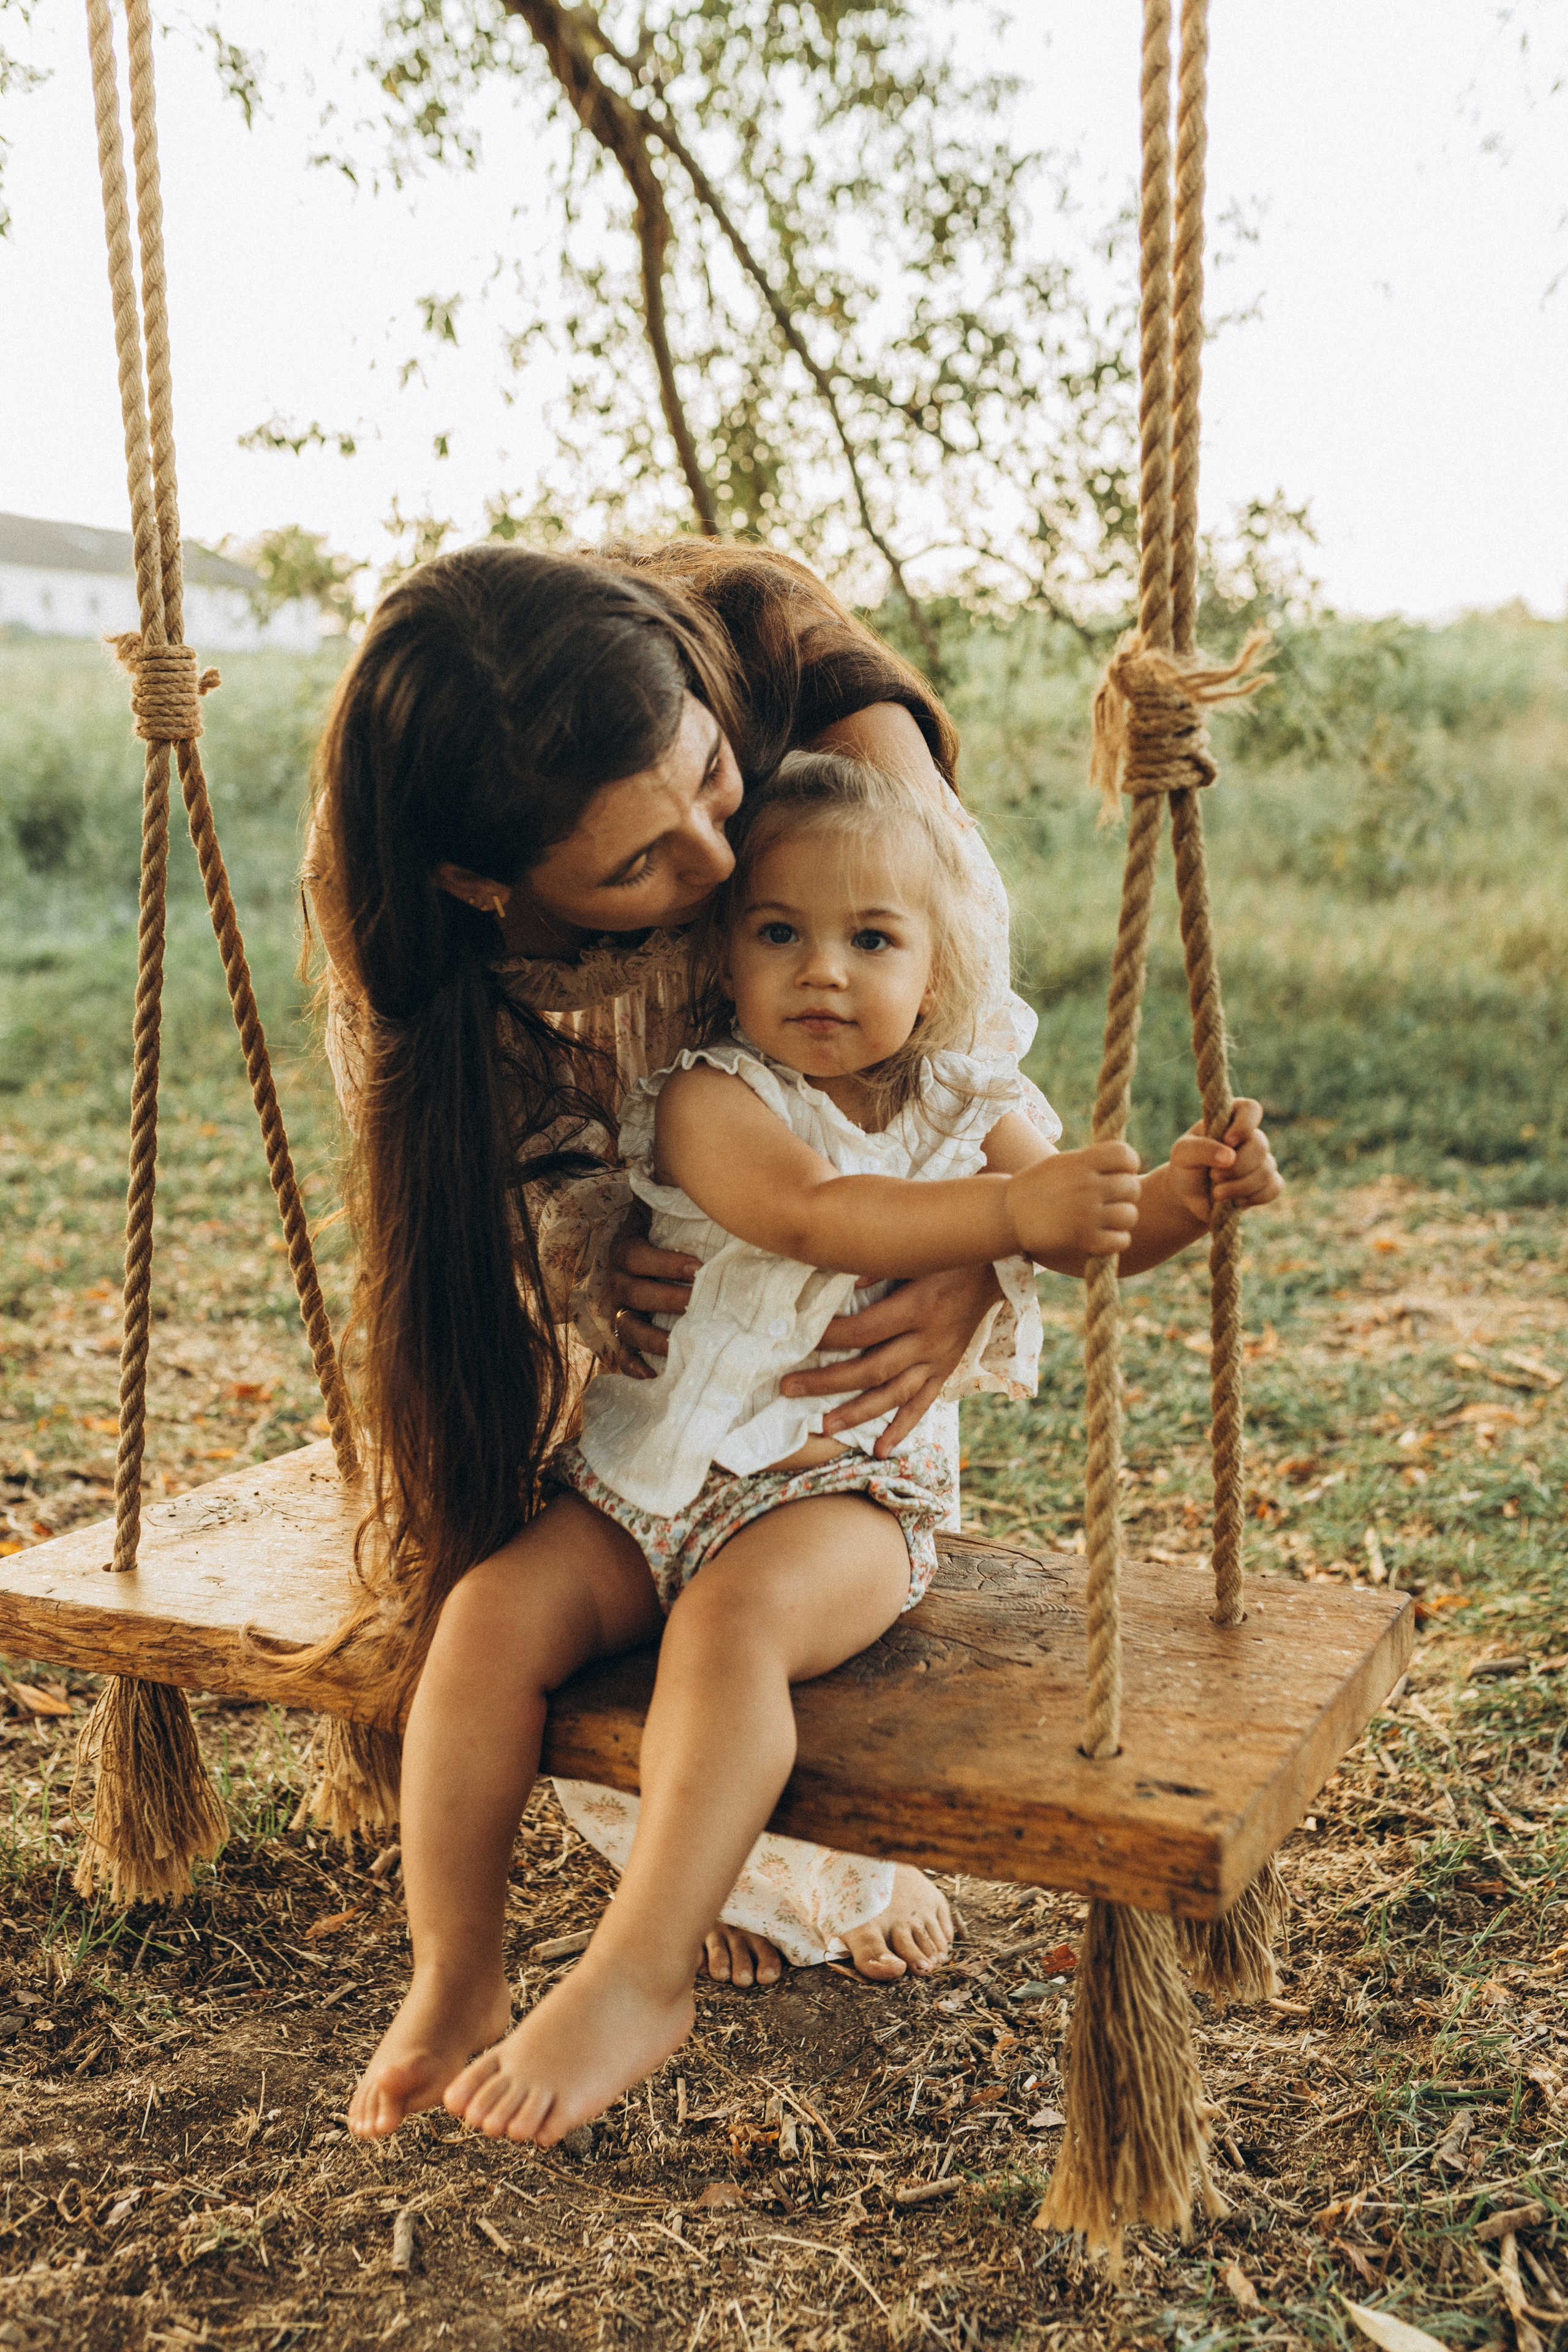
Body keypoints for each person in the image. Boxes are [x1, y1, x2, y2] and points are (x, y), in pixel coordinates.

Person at [344, 749, 1281, 2146]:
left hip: (843, 1499)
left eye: (870, 938)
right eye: (778, 931)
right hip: (637, 1484)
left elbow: (1100, 1230)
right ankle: (454, 1972)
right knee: (484, 1618)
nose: (822, 970)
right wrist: (1009, 1215)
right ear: (725, 954)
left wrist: (1183, 1201)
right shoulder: (709, 1096)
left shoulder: (973, 1103)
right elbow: (813, 1216)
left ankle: (636, 1972)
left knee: (728, 1633)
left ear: (936, 963)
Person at [303, 539, 1061, 1990]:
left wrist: (977, 1237)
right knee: (539, 1608)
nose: (713, 867)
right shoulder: (417, 914)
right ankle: (485, 1956)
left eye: (712, 782)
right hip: (677, 1392)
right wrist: (584, 1240)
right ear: (482, 884)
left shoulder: (821, 710)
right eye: (637, 862)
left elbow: (962, 1029)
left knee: (739, 1619)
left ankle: (699, 1916)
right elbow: (470, 1154)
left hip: (832, 1388)